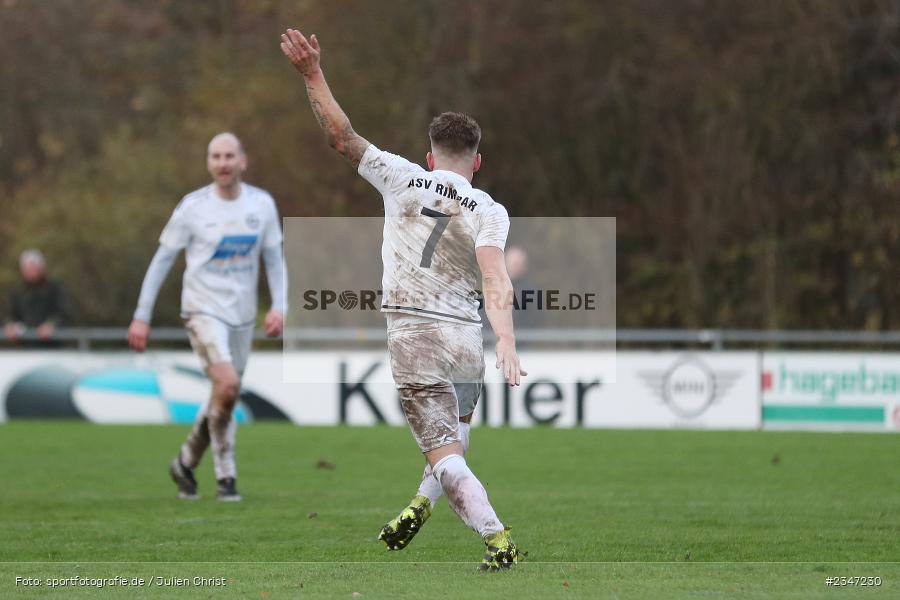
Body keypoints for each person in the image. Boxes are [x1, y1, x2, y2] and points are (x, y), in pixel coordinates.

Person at [281, 28, 527, 570]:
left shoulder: (403, 177)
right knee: (453, 443)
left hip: (415, 333)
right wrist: (506, 340)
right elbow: (495, 277)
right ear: (477, 162)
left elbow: (342, 137)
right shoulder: (491, 209)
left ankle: (497, 540)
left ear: (429, 156)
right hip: (466, 340)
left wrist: (312, 73)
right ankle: (419, 505)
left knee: (442, 454)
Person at [127, 132, 287, 502]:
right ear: (208, 162)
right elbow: (162, 259)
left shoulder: (261, 205)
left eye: (229, 155)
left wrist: (280, 306)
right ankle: (226, 475)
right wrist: (141, 315)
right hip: (201, 310)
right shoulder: (192, 208)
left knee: (224, 394)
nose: (223, 163)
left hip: (242, 316)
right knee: (228, 385)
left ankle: (185, 461)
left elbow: (275, 259)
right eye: (215, 156)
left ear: (242, 161)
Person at [4, 249, 73, 345]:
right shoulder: (17, 291)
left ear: (41, 267)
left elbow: (63, 313)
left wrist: (51, 325)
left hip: (52, 347)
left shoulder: (55, 289)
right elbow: (11, 314)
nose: (31, 271)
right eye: (28, 268)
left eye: (33, 267)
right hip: (25, 347)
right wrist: (10, 325)